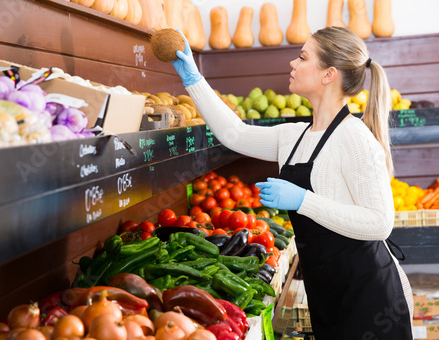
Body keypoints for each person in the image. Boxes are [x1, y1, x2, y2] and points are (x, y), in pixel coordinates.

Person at [172, 26, 413, 339]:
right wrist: (193, 79)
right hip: (326, 291)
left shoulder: (356, 140)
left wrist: (303, 200)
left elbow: (380, 223)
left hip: (370, 296)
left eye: (302, 57)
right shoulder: (294, 136)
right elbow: (235, 134)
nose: (292, 64)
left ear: (329, 75)